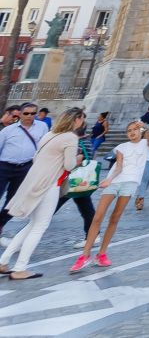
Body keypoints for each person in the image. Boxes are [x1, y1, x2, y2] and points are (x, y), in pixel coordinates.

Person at [0, 106, 84, 280]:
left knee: (32, 224)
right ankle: (20, 268)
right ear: (76, 120)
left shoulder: (50, 134)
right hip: (49, 184)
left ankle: (3, 261)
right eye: (82, 119)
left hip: (34, 181)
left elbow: (36, 157)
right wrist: (78, 159)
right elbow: (69, 165)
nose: (82, 122)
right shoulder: (70, 137)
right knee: (40, 226)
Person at [70, 119, 149, 272]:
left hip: (130, 183)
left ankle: (102, 254)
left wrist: (144, 126)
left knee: (115, 217)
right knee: (98, 217)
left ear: (140, 131)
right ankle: (85, 255)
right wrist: (109, 179)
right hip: (114, 182)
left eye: (135, 129)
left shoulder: (145, 144)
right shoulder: (121, 147)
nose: (132, 132)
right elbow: (119, 166)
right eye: (129, 130)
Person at [0, 103, 49, 243]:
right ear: (20, 114)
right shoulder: (7, 131)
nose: (29, 116)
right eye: (26, 113)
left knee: (14, 200)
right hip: (4, 166)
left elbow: (44, 146)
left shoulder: (42, 127)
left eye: (33, 113)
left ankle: (1, 223)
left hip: (25, 167)